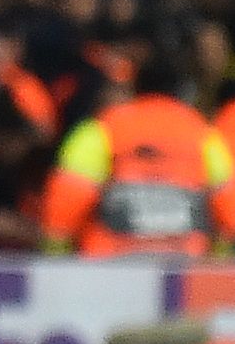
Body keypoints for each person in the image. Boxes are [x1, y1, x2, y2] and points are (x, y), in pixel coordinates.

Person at [40, 51, 235, 258]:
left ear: (136, 87)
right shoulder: (206, 137)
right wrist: (217, 263)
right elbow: (229, 210)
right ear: (183, 92)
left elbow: (67, 200)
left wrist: (56, 257)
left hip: (109, 266)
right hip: (183, 265)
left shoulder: (100, 130)